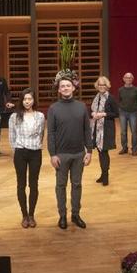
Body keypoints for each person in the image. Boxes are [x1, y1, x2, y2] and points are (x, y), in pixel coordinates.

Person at [48, 77, 92, 229]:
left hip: (79, 153)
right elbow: (51, 133)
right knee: (60, 185)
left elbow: (87, 130)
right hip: (61, 155)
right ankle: (62, 216)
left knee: (77, 185)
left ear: (73, 88)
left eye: (68, 85)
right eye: (63, 86)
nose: (66, 88)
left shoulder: (81, 107)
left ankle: (75, 214)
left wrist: (90, 151)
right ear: (59, 90)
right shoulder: (53, 108)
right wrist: (52, 154)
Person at [8, 88, 45, 228]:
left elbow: (42, 134)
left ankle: (32, 215)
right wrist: (16, 150)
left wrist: (36, 145)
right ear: (21, 101)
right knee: (21, 184)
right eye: (25, 99)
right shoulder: (14, 117)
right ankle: (24, 215)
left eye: (30, 99)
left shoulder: (40, 116)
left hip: (35, 152)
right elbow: (11, 137)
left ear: (34, 100)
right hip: (20, 153)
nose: (27, 101)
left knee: (33, 184)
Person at [90, 76, 118, 186]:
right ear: (97, 86)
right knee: (100, 152)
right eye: (100, 85)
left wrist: (103, 114)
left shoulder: (110, 98)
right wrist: (92, 113)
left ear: (107, 86)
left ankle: (105, 176)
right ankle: (103, 174)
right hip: (96, 128)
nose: (102, 87)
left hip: (106, 129)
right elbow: (92, 110)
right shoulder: (96, 97)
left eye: (104, 85)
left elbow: (116, 113)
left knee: (104, 152)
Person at [117, 72, 137, 156]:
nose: (128, 79)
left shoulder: (136, 89)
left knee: (134, 132)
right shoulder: (120, 90)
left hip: (133, 113)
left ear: (132, 79)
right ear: (123, 79)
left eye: (130, 78)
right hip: (123, 113)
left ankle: (134, 149)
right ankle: (124, 148)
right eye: (126, 77)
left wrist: (136, 109)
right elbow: (119, 100)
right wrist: (120, 109)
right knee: (123, 132)